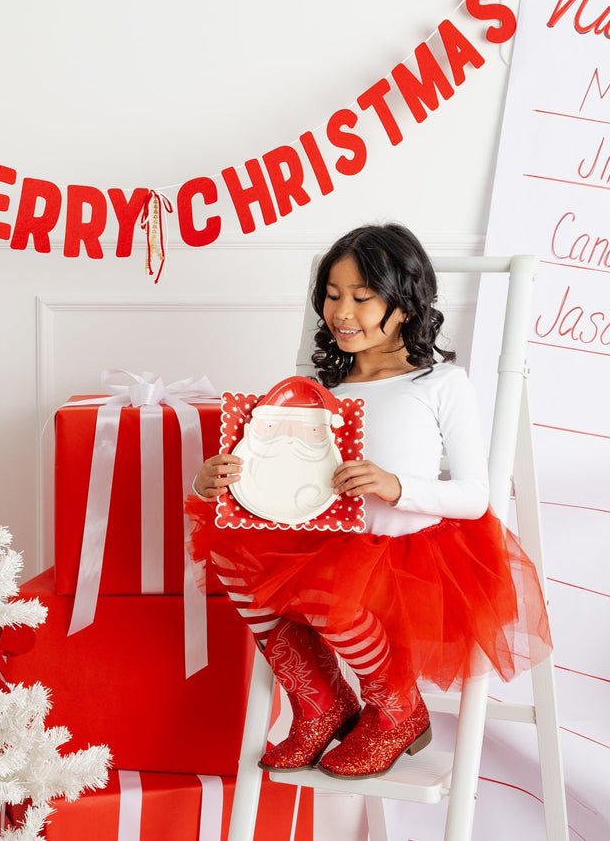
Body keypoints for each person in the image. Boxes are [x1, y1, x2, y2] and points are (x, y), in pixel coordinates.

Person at [187, 223, 552, 779]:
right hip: (327, 538)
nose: (342, 312)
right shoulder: (316, 388)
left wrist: (395, 485)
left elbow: (477, 496)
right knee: (235, 559)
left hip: (409, 553)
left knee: (330, 588)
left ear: (404, 305)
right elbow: (278, 475)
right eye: (332, 296)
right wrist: (219, 479)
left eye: (362, 298)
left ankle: (395, 707)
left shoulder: (438, 384)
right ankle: (319, 700)